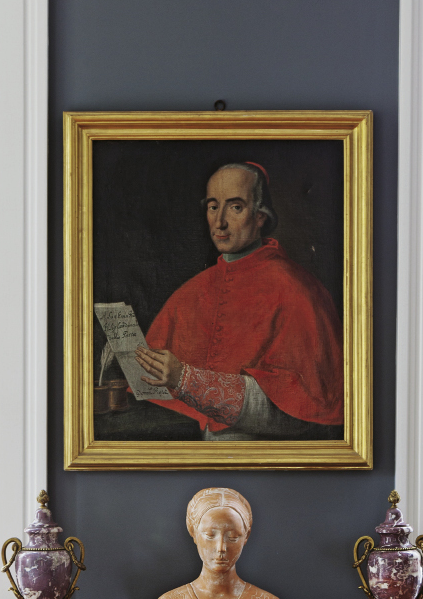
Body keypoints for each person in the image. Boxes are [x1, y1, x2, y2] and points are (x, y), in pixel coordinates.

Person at [133, 162, 344, 441]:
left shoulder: (298, 289)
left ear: (260, 216)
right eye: (212, 206)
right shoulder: (192, 291)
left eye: (235, 207)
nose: (220, 222)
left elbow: (300, 411)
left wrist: (185, 379)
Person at [140, 487, 303, 599]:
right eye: (210, 535)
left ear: (245, 537)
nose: (221, 548)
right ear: (194, 533)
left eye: (233, 537)